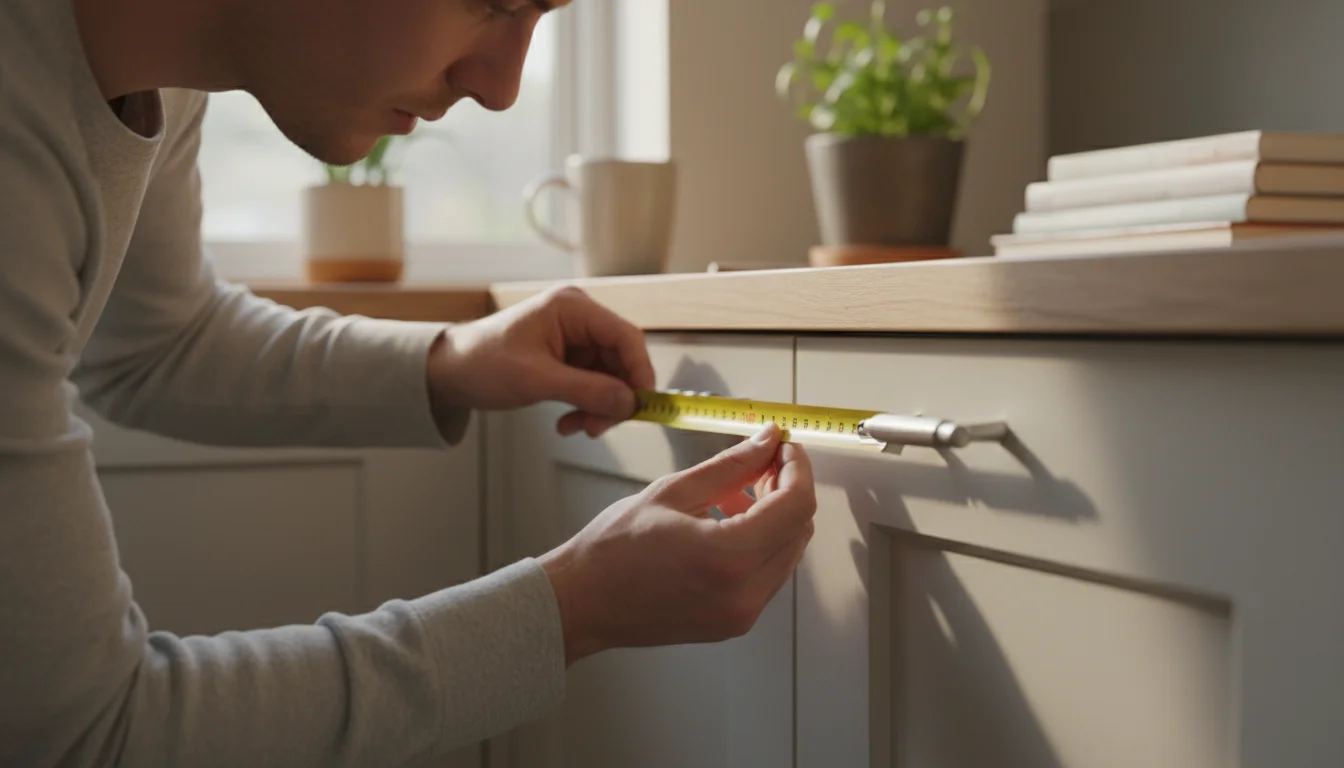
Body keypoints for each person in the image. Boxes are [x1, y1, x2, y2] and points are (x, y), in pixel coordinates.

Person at [0, 0, 819, 764]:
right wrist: (574, 609)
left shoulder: (160, 80)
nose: (500, 90)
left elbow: (152, 343)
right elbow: (85, 734)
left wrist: (450, 362)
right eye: (491, 3)